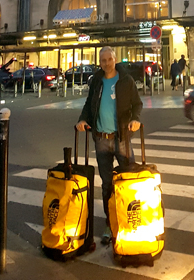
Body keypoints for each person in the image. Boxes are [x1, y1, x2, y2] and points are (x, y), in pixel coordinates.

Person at [76, 46, 142, 245]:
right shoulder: (96, 81)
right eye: (103, 60)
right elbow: (89, 104)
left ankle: (130, 219)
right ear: (100, 62)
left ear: (115, 60)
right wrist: (82, 120)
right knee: (106, 185)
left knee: (128, 180)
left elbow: (137, 104)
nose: (106, 64)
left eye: (109, 60)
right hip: (101, 139)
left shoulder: (125, 80)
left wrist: (135, 119)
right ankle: (109, 222)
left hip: (121, 137)